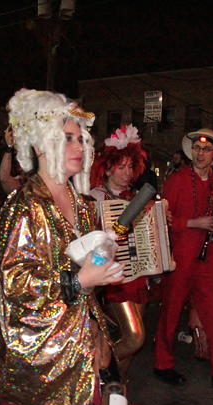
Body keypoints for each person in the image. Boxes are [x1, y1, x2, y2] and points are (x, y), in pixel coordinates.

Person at [0, 89, 122, 405]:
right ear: (41, 145)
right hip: (33, 349)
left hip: (78, 344)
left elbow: (88, 271)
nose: (80, 148)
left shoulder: (83, 206)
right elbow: (15, 285)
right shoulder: (22, 207)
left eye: (82, 140)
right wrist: (81, 280)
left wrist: (106, 271)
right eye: (69, 138)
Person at [153, 128, 213, 389]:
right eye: (197, 148)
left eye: (206, 149)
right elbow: (163, 219)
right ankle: (163, 364)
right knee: (170, 311)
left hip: (208, 258)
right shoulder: (176, 180)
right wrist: (195, 223)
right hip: (182, 255)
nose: (201, 153)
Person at [89, 124, 150, 379]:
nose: (126, 173)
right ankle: (95, 370)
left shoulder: (134, 196)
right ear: (108, 167)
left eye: (130, 167)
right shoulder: (94, 198)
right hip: (114, 277)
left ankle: (117, 394)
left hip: (138, 274)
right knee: (134, 338)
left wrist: (157, 219)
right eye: (120, 167)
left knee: (130, 342)